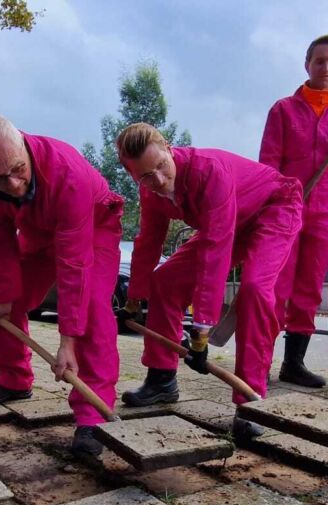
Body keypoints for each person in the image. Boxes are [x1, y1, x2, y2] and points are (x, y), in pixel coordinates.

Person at [116, 122, 303, 437]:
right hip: (233, 221)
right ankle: (161, 380)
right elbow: (147, 243)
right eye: (146, 176)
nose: (159, 180)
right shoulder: (151, 194)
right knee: (164, 281)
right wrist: (134, 298)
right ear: (132, 174)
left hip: (274, 208)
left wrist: (201, 328)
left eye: (162, 166)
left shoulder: (208, 172)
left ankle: (250, 403)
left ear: (169, 149)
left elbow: (215, 253)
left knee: (256, 289)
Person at [0, 115, 123, 456]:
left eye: (18, 170)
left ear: (23, 144)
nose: (14, 185)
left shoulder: (68, 174)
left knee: (92, 310)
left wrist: (67, 340)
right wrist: (7, 295)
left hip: (93, 227)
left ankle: (90, 415)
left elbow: (74, 264)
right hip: (39, 232)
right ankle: (14, 379)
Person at [260, 35, 328, 388]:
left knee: (309, 288)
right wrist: (269, 206)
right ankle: (259, 363)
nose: (326, 68)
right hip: (285, 212)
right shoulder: (283, 110)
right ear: (307, 65)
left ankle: (294, 364)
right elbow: (268, 164)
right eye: (320, 61)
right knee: (275, 287)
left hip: (324, 216)